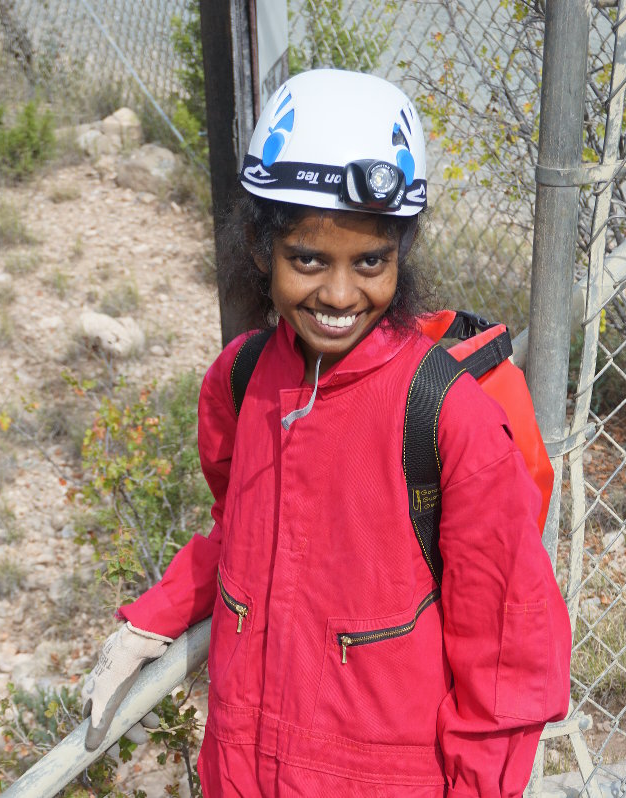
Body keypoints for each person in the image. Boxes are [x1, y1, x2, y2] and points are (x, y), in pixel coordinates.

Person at [81, 68, 572, 797]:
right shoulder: (242, 380)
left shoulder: (443, 414)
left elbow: (508, 649)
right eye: (308, 259)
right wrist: (155, 619)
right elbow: (241, 532)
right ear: (258, 247)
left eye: (369, 261)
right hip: (241, 771)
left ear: (401, 254)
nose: (340, 294)